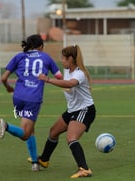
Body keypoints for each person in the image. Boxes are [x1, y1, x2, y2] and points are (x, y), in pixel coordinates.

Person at [0, 34, 63, 171]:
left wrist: (8, 87)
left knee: (30, 129)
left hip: (18, 97)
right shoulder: (46, 57)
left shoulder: (19, 56)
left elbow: (3, 78)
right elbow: (59, 76)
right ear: (41, 46)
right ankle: (6, 126)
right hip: (33, 98)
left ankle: (34, 163)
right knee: (26, 133)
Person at [37, 44, 96, 178]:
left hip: (85, 110)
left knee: (71, 138)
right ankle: (44, 160)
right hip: (73, 110)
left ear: (71, 59)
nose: (62, 61)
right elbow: (66, 85)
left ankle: (85, 169)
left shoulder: (79, 74)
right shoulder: (67, 71)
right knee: (53, 131)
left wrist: (48, 79)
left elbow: (70, 84)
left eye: (63, 58)